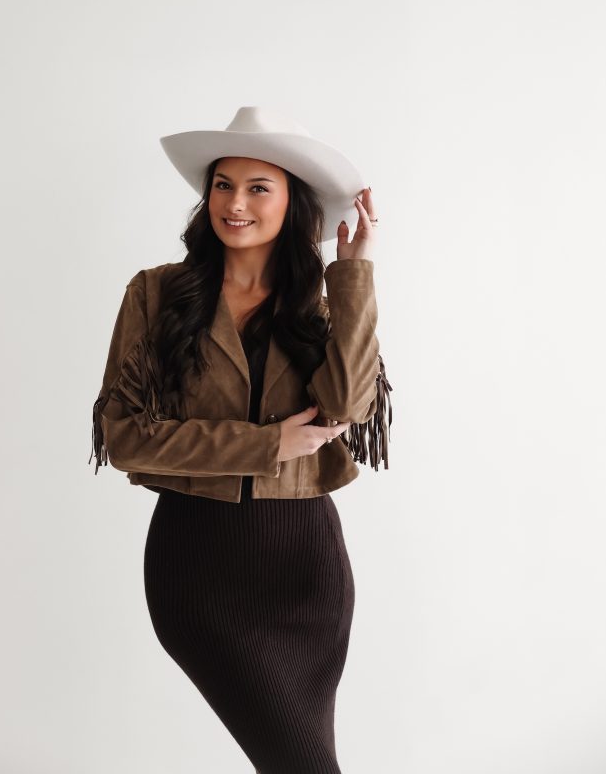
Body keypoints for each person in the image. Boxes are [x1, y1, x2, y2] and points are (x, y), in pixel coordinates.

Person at [89, 106, 393, 773]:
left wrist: (353, 272)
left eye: (258, 187)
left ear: (293, 202)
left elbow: (345, 406)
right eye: (223, 185)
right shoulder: (156, 295)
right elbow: (124, 437)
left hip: (307, 571)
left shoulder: (319, 302)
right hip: (199, 570)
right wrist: (261, 446)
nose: (234, 202)